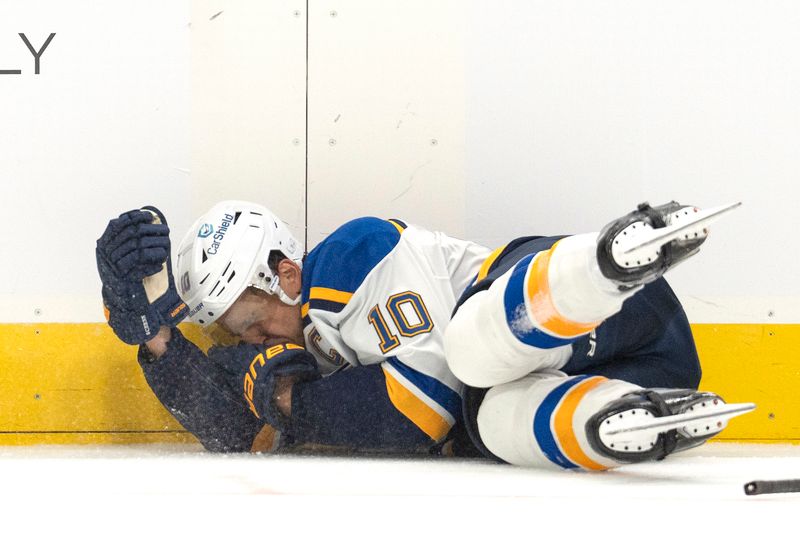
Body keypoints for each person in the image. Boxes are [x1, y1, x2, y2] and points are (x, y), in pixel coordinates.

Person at [95, 200, 750, 470]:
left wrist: (290, 401)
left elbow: (418, 411)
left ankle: (605, 262)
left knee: (469, 349)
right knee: (491, 422)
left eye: (251, 321)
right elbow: (239, 431)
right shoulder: (310, 342)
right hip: (630, 371)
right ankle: (618, 419)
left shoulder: (353, 256)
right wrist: (150, 334)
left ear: (286, 271)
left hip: (611, 309)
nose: (257, 338)